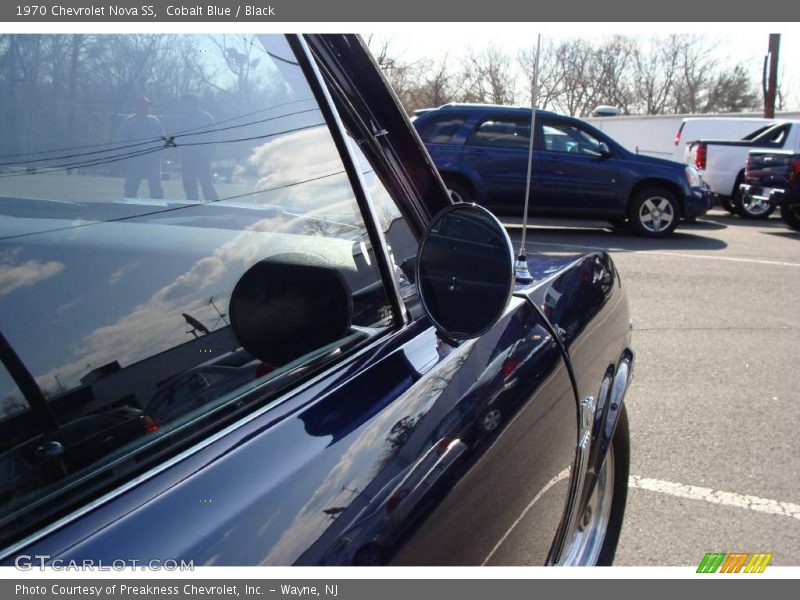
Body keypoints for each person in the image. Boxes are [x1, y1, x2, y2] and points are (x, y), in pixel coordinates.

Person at [119, 95, 165, 198]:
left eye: (147, 105)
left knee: (156, 187)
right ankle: (128, 209)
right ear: (137, 107)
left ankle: (158, 210)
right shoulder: (128, 121)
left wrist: (160, 154)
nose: (146, 108)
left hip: (152, 159)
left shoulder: (155, 121)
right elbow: (122, 142)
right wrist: (123, 157)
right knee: (131, 187)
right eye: (143, 105)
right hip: (135, 159)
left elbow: (162, 139)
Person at [177, 93, 218, 201]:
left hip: (201, 157)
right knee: (189, 186)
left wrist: (209, 153)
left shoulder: (206, 117)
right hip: (187, 156)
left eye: (185, 103)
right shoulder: (183, 119)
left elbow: (212, 137)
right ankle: (192, 208)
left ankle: (215, 208)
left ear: (193, 103)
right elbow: (179, 137)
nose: (183, 106)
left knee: (206, 185)